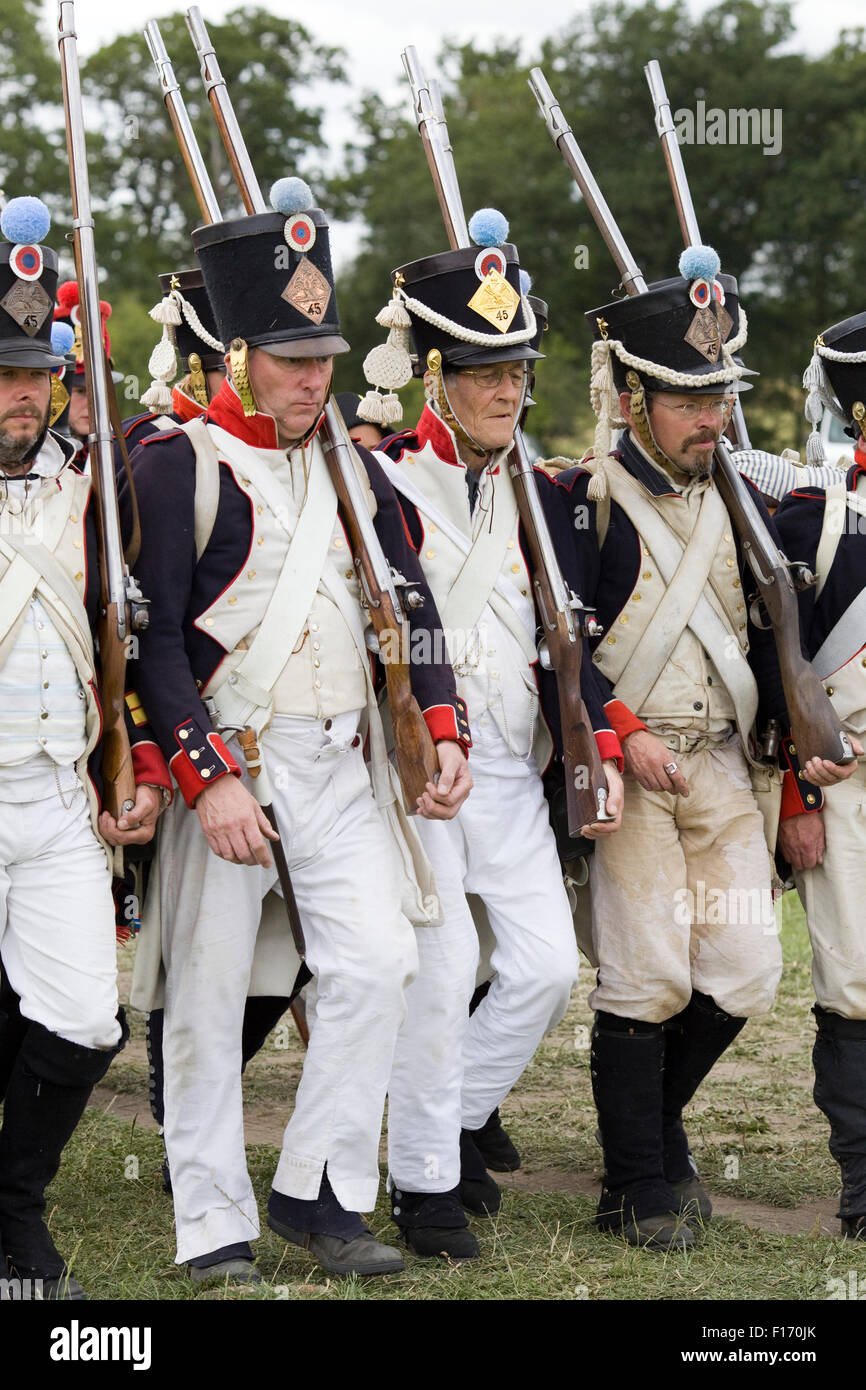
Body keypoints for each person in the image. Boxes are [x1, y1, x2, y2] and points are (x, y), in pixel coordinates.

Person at [122, 178, 472, 1284]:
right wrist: (205, 774)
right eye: (288, 358)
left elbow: (411, 607)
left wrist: (444, 721)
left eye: (322, 356)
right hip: (229, 763)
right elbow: (153, 647)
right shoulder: (174, 465)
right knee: (210, 993)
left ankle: (316, 1192)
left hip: (338, 763)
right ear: (235, 356)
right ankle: (211, 1223)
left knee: (377, 967)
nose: (314, 378)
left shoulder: (354, 469)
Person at [555, 248, 857, 1252]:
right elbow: (556, 651)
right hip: (633, 765)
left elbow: (770, 640)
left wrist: (793, 741)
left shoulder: (747, 504)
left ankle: (648, 1133)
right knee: (643, 977)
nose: (710, 419)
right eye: (688, 401)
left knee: (738, 972)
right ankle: (636, 1181)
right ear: (631, 398)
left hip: (725, 763)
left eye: (717, 399)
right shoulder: (583, 502)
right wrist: (619, 735)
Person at [361, 211, 624, 1259]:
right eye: (480, 371)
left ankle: (442, 1118)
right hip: (424, 770)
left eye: (514, 368)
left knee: (546, 971)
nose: (505, 390)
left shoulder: (540, 491)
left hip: (514, 767)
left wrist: (600, 731)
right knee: (438, 969)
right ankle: (423, 1184)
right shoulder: (384, 486)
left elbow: (565, 634)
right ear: (433, 377)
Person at [0, 197, 170, 1299]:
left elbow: (135, 641)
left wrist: (140, 764)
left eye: (32, 374)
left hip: (59, 794)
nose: (18, 394)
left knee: (81, 1017)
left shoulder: (96, 490)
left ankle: (11, 1199)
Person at [774, 313, 866, 1239]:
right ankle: (865, 1181)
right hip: (851, 789)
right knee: (855, 981)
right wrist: (797, 796)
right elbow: (781, 673)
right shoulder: (815, 523)